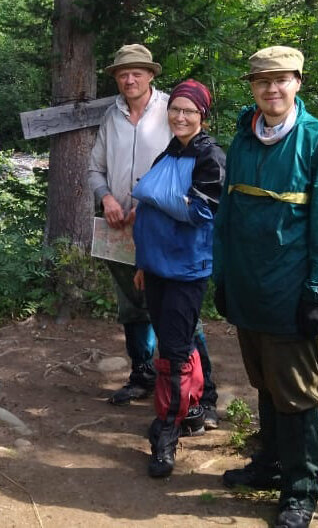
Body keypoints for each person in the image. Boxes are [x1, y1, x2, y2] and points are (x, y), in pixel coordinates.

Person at [213, 46, 318, 528]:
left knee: (296, 394)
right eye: (261, 81)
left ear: (298, 82)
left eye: (281, 80)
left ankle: (301, 489)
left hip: (293, 294)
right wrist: (225, 277)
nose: (271, 89)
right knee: (265, 384)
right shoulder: (244, 139)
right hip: (250, 289)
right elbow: (228, 215)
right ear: (251, 87)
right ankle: (271, 465)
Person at [87, 44, 218, 428]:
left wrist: (145, 205)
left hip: (167, 232)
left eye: (138, 72)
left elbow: (184, 167)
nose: (130, 79)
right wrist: (107, 198)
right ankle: (143, 373)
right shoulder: (111, 117)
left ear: (151, 75)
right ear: (116, 78)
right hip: (118, 226)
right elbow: (95, 168)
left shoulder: (171, 111)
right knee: (132, 305)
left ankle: (203, 392)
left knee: (180, 314)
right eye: (123, 73)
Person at [131, 79, 225, 478]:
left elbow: (202, 212)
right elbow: (152, 215)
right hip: (156, 266)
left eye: (189, 111)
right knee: (181, 339)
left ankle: (166, 433)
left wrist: (151, 193)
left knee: (171, 351)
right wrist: (141, 263)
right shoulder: (168, 155)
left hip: (187, 269)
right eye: (175, 109)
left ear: (202, 115)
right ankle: (202, 402)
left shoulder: (210, 157)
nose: (180, 116)